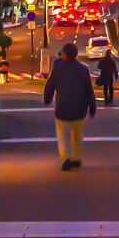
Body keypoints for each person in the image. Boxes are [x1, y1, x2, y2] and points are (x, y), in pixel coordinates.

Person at [44, 42, 96, 171]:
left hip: (63, 107)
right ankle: (77, 158)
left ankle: (67, 157)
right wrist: (92, 105)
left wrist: (47, 98)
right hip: (80, 108)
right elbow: (88, 89)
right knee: (77, 133)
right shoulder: (83, 69)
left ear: (65, 54)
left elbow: (50, 85)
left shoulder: (58, 68)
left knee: (63, 134)